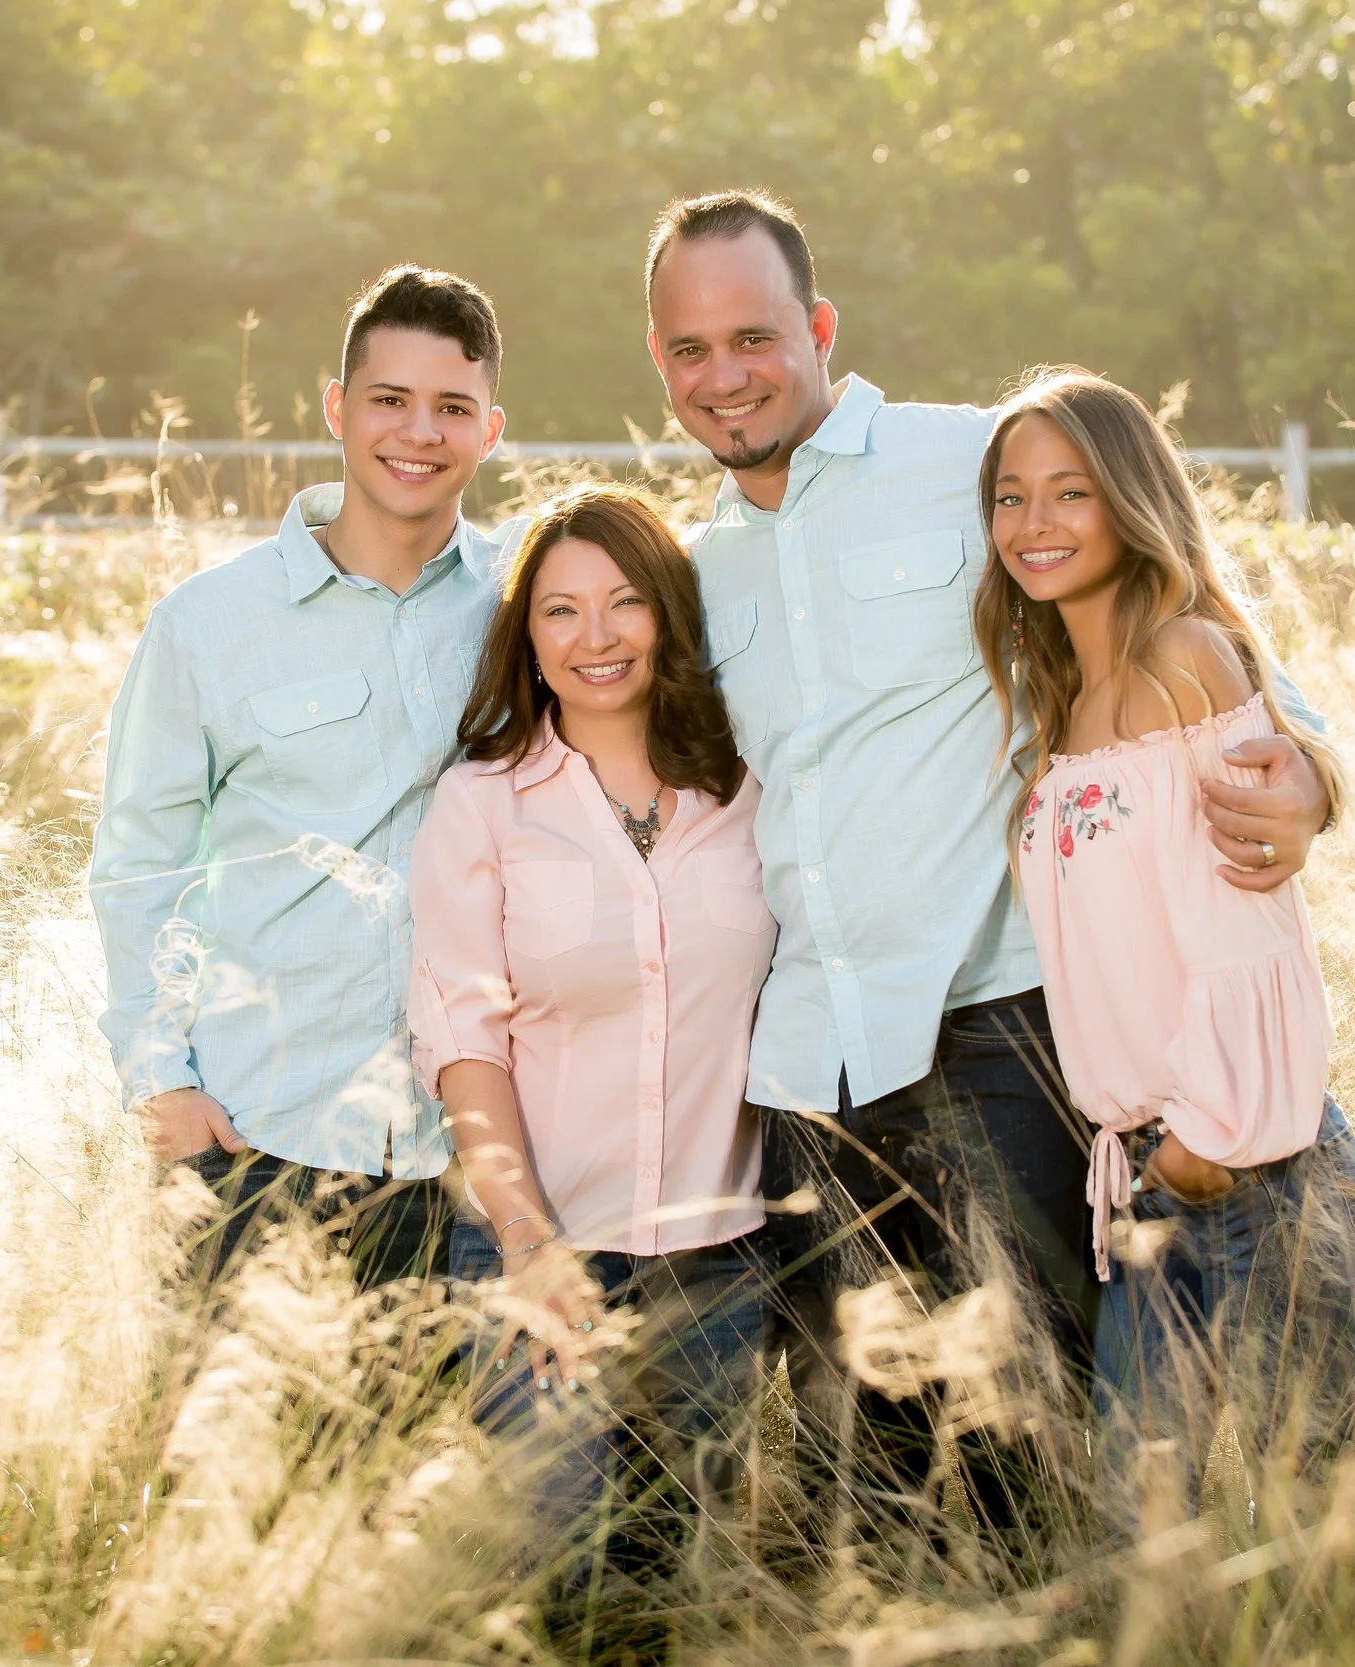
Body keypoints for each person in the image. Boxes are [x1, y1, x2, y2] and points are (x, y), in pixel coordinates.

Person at [639, 188, 1339, 1550]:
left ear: (821, 326)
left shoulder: (977, 465)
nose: (724, 375)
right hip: (807, 1069)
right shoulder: (698, 567)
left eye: (754, 336)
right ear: (658, 361)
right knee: (878, 1467)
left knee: (1056, 1433)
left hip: (998, 1035)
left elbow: (1183, 596)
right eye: (688, 348)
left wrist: (1306, 764)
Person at [979, 367, 1355, 1521]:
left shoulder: (1184, 661)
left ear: (1130, 499)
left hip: (1251, 1172)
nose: (1035, 523)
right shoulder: (1060, 703)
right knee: (1144, 1538)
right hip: (1152, 1178)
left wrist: (1205, 1142)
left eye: (1070, 492)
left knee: (1297, 1539)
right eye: (1011, 497)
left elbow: (1243, 930)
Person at [89, 265, 510, 1289]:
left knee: (458, 1450)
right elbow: (139, 865)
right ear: (337, 408)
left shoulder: (527, 601)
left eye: (451, 407)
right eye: (389, 400)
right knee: (247, 1450)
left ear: (489, 430)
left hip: (481, 1151)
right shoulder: (209, 623)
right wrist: (163, 1086)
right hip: (263, 1133)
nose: (418, 432)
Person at [407, 482, 770, 1616]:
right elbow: (463, 1038)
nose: (595, 637)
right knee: (553, 1585)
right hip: (544, 1253)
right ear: (527, 635)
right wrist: (528, 1244)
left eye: (623, 603)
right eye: (560, 611)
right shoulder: (484, 804)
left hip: (720, 1260)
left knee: (674, 1587)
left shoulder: (749, 790)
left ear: (667, 611)